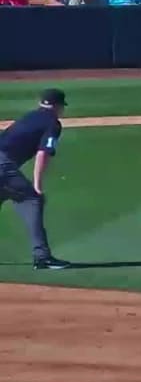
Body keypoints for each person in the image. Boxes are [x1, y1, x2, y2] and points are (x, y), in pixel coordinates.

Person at [0, 89, 72, 270]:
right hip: (2, 164)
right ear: (57, 106)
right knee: (32, 199)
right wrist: (37, 186)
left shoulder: (30, 116)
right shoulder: (52, 123)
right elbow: (43, 153)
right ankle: (42, 257)